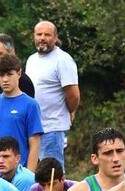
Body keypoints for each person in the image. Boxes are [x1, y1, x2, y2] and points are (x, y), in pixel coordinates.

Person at [26, 21, 79, 167]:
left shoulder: (62, 60)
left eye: (47, 34)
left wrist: (70, 111)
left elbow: (73, 94)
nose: (42, 38)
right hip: (33, 128)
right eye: (39, 34)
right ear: (34, 36)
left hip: (52, 128)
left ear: (55, 38)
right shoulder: (31, 60)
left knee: (51, 175)